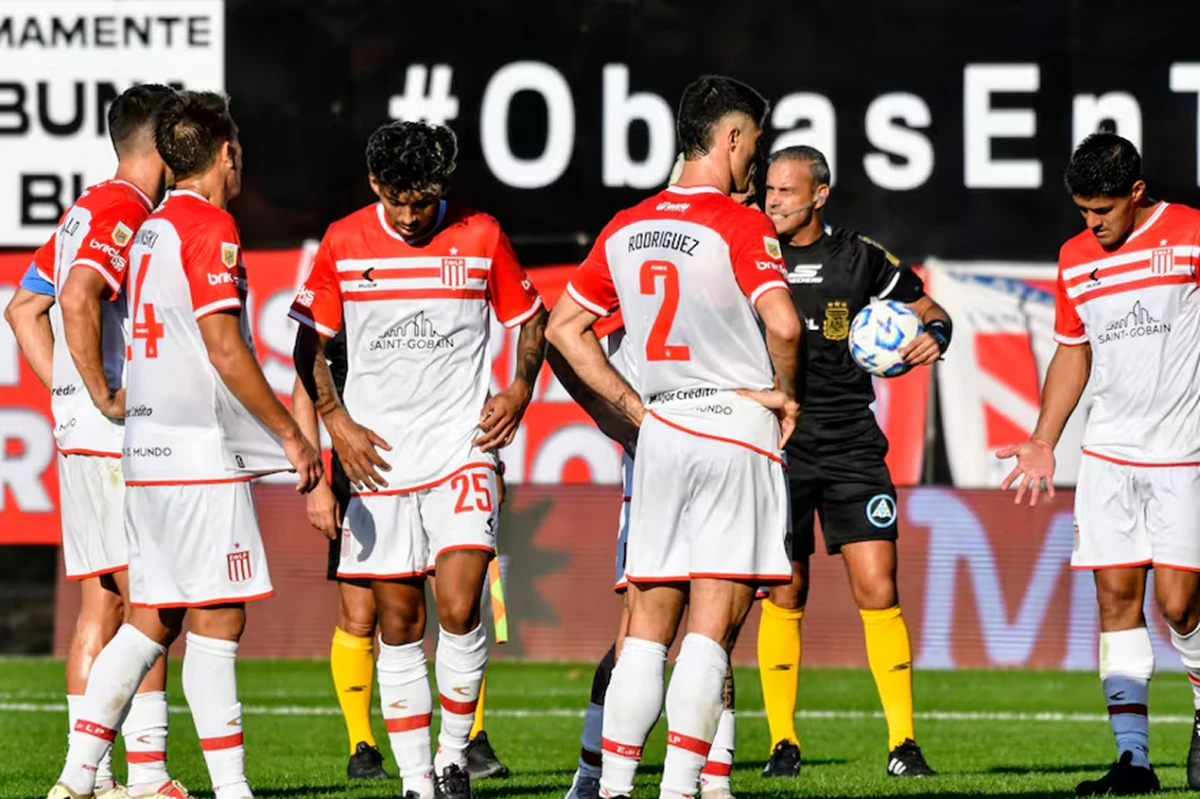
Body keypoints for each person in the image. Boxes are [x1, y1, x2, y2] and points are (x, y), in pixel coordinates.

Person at [47, 90, 323, 799]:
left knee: (152, 618)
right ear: (227, 154)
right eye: (239, 155)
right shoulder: (211, 229)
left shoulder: (148, 227)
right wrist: (291, 436)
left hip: (143, 450)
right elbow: (225, 349)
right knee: (220, 616)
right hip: (198, 455)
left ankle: (77, 776)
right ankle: (232, 789)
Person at [546, 74, 801, 799]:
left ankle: (616, 787)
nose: (757, 157)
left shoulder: (625, 224)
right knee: (710, 629)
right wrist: (787, 395)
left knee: (645, 630)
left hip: (661, 430)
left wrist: (631, 401)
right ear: (730, 138)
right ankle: (683, 786)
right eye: (753, 139)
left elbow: (565, 327)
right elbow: (783, 323)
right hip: (732, 426)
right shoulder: (740, 222)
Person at [291, 120, 545, 799]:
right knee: (398, 624)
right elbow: (307, 344)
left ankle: (455, 753)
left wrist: (520, 387)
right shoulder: (344, 241)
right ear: (375, 184)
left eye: (423, 200)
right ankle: (415, 781)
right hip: (378, 460)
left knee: (461, 603)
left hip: (463, 447)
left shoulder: (482, 234)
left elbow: (530, 320)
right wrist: (335, 421)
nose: (410, 214)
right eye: (398, 199)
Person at [999, 132, 1200, 796]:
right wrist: (1042, 437)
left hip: (1184, 452)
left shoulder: (1191, 234)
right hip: (1109, 454)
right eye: (1083, 211)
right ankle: (1134, 760)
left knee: (1180, 604)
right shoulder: (1075, 258)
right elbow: (1072, 351)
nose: (1092, 224)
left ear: (1137, 194)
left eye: (1103, 211)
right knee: (1116, 598)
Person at [16, 83, 189, 799]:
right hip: (116, 435)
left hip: (81, 435)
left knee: (102, 605)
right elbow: (79, 295)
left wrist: (65, 394)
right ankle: (141, 777)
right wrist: (101, 391)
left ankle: (99, 780)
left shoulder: (82, 208)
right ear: (163, 143)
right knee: (154, 599)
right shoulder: (124, 211)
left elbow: (24, 309)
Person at [754, 146, 948, 779]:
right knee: (786, 589)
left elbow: (931, 311)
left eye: (787, 190)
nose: (773, 199)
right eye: (769, 189)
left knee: (878, 585)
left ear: (819, 195)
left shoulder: (860, 258)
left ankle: (903, 744)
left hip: (851, 445)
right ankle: (782, 743)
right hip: (776, 445)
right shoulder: (751, 256)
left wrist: (933, 336)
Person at [290, 334, 510, 782]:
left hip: (446, 459)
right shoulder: (346, 284)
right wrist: (313, 478)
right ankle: (362, 746)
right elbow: (305, 382)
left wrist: (494, 462)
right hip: (366, 464)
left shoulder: (434, 290)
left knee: (458, 603)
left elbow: (465, 376)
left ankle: (471, 739)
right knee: (360, 611)